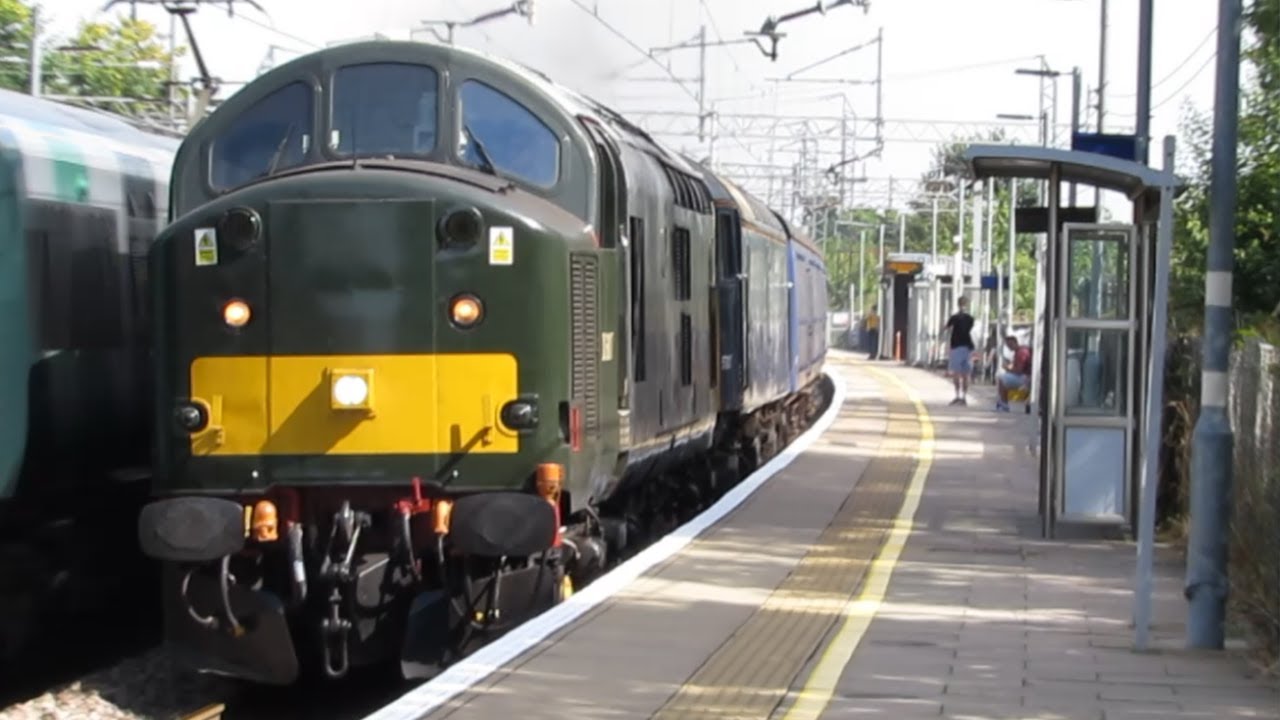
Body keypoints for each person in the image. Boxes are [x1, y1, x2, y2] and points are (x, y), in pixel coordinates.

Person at [944, 296, 975, 406]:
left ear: (958, 304)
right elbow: (971, 330)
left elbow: (946, 328)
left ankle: (957, 396)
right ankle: (964, 397)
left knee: (956, 373)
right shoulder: (971, 318)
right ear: (967, 304)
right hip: (968, 347)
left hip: (956, 347)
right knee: (965, 374)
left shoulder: (954, 318)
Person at [996, 333, 1033, 412]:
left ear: (1015, 342)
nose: (1009, 347)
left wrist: (1007, 369)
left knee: (1001, 378)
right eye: (1008, 345)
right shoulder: (1019, 351)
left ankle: (1004, 405)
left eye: (1010, 344)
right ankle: (1002, 403)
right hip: (1026, 376)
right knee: (1004, 377)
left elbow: (1019, 371)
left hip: (1026, 378)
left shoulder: (1021, 352)